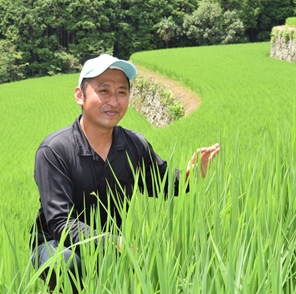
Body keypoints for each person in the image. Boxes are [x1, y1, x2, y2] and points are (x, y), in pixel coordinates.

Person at [30, 54, 220, 292]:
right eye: (104, 91)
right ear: (80, 95)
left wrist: (191, 176)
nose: (114, 101)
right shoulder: (55, 150)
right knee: (68, 263)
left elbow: (162, 184)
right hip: (55, 244)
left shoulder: (133, 145)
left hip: (114, 244)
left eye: (122, 92)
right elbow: (60, 223)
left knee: (154, 270)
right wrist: (114, 242)